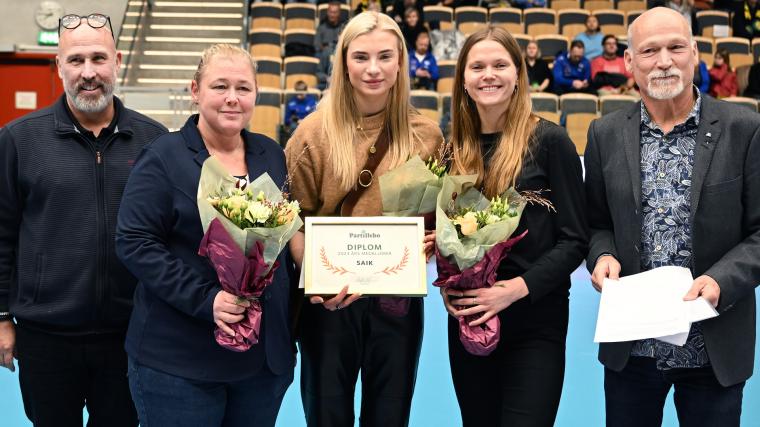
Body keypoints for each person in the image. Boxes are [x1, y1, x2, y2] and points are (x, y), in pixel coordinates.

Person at [585, 8, 760, 427]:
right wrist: (602, 255)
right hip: (632, 345)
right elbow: (596, 223)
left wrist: (722, 281)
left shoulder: (745, 129)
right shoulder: (603, 134)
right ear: (630, 62)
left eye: (675, 47)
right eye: (649, 50)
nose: (664, 60)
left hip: (711, 342)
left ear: (695, 53)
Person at [0, 13, 166, 427]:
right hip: (45, 338)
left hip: (130, 336)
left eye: (98, 58)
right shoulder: (18, 140)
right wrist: (1, 317)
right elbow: (1, 234)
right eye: (75, 60)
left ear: (118, 61)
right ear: (59, 66)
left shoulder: (156, 142)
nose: (88, 73)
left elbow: (168, 238)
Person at [115, 44, 295, 426]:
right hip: (180, 364)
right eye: (220, 86)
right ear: (195, 91)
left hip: (262, 365)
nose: (232, 98)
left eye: (243, 88)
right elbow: (134, 242)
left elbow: (280, 239)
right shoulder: (163, 157)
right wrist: (206, 300)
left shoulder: (271, 154)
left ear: (256, 95)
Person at [284, 11, 444, 427]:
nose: (373, 69)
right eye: (361, 57)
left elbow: (437, 218)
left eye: (384, 57)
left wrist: (432, 242)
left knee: (390, 413)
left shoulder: (427, 136)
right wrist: (318, 274)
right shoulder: (312, 134)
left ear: (400, 63)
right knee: (327, 412)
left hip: (397, 301)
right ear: (344, 62)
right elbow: (289, 221)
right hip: (330, 302)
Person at [441, 26, 588, 427]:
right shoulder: (451, 149)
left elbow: (576, 240)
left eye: (500, 65)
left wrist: (513, 290)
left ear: (518, 75)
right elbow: (451, 241)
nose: (489, 74)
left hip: (535, 319)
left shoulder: (551, 141)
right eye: (478, 66)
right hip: (470, 320)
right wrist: (448, 283)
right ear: (464, 80)